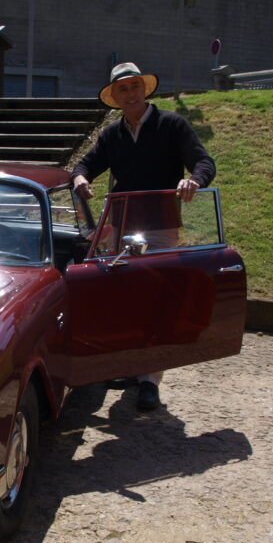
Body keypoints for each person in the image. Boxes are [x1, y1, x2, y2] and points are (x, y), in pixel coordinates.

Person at [71, 62, 216, 412]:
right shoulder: (112, 134)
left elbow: (204, 162)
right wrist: (80, 178)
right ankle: (128, 365)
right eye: (123, 89)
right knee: (125, 298)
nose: (131, 94)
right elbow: (85, 165)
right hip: (122, 225)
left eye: (135, 86)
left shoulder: (172, 124)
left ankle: (150, 380)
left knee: (156, 299)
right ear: (115, 97)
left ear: (144, 90)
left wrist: (193, 181)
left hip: (161, 225)